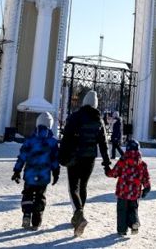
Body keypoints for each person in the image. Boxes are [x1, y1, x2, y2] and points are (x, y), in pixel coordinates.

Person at [59, 90, 111, 237]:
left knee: (73, 187)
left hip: (75, 157)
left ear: (84, 102)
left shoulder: (75, 117)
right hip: (90, 159)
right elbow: (103, 143)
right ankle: (78, 215)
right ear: (95, 104)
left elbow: (66, 137)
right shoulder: (98, 119)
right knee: (83, 186)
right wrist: (106, 163)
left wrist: (61, 155)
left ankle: (79, 214)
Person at [11, 112, 60, 230]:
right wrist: (56, 172)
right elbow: (55, 159)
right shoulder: (52, 142)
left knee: (27, 194)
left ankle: (27, 214)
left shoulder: (30, 140)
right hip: (44, 175)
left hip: (30, 173)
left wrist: (17, 170)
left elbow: (22, 156)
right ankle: (36, 220)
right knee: (40, 196)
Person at [104, 139, 151, 237]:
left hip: (123, 192)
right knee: (133, 209)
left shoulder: (123, 161)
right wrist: (147, 188)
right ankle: (134, 222)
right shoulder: (142, 164)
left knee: (122, 211)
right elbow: (145, 178)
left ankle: (122, 230)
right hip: (135, 193)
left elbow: (114, 173)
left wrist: (107, 170)